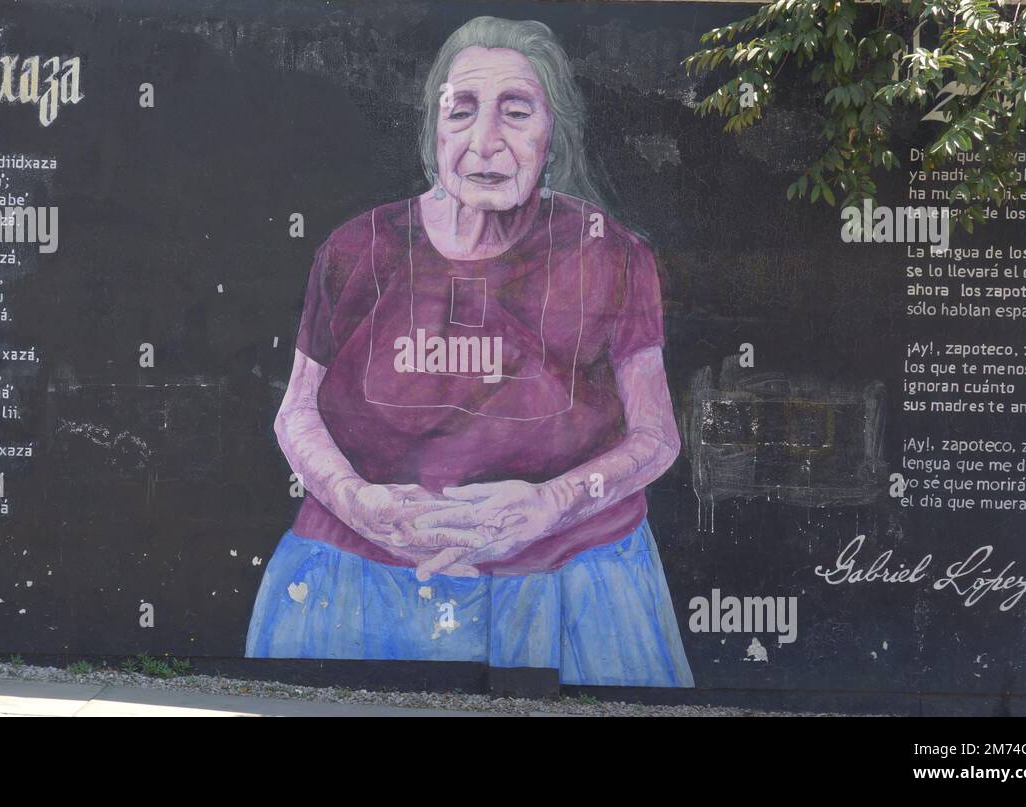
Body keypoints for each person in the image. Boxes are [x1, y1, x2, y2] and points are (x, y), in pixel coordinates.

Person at [246, 16, 693, 687]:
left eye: (516, 112)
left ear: (554, 132)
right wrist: (360, 502)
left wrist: (554, 503)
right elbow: (295, 415)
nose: (485, 142)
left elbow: (656, 436)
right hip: (355, 579)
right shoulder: (355, 249)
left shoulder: (611, 253)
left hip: (573, 582)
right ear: (434, 129)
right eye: (461, 111)